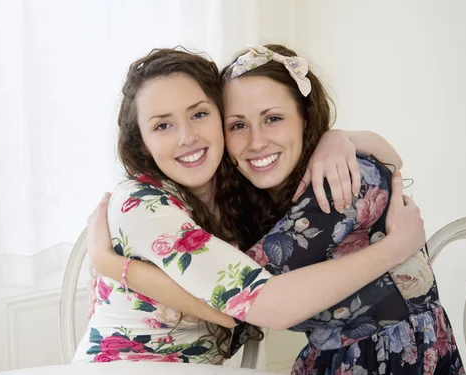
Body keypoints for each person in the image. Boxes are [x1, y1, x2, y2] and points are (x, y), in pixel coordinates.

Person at [73, 47, 427, 366]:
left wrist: (338, 138)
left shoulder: (238, 191)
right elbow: (244, 309)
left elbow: (391, 160)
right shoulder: (143, 205)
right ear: (143, 143)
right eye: (162, 125)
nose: (186, 137)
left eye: (198, 114)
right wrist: (111, 265)